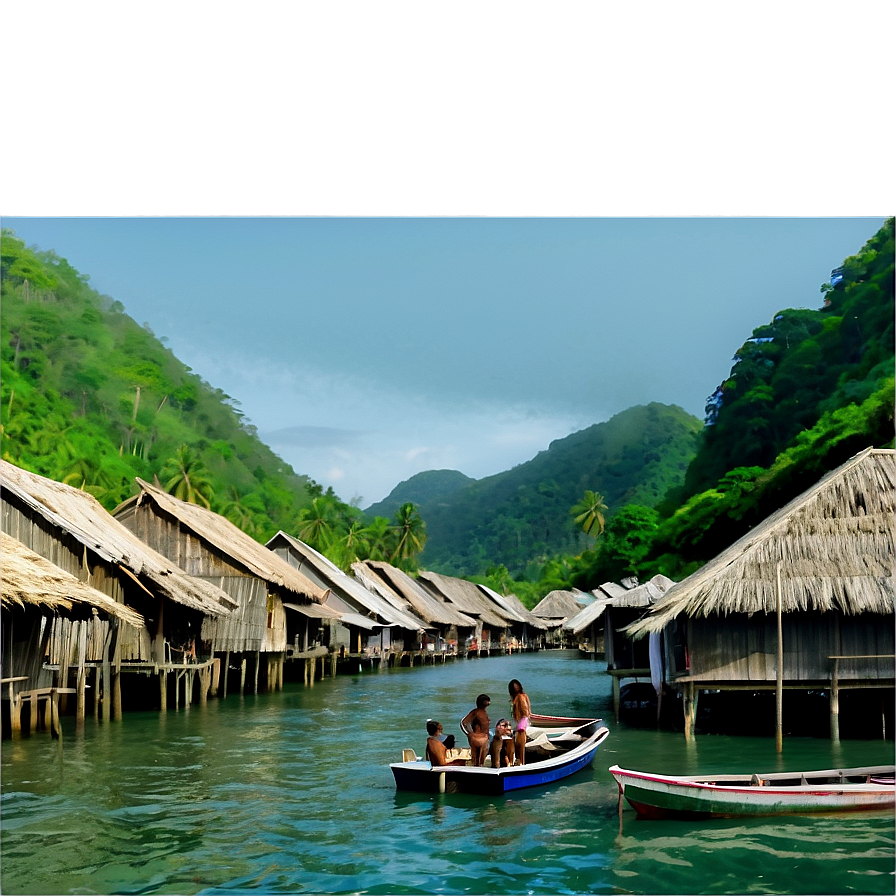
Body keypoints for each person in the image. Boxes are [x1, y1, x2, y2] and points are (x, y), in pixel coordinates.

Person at [461, 693, 491, 767]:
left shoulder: (483, 712)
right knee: (477, 760)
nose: (489, 703)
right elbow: (464, 723)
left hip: (483, 738)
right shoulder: (476, 712)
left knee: (481, 761)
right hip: (478, 738)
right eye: (487, 701)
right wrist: (470, 734)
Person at [508, 679, 532, 765]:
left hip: (521, 722)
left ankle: (521, 761)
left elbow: (525, 711)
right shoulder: (524, 695)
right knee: (518, 743)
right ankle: (519, 760)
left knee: (520, 744)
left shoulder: (520, 697)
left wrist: (521, 723)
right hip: (521, 721)